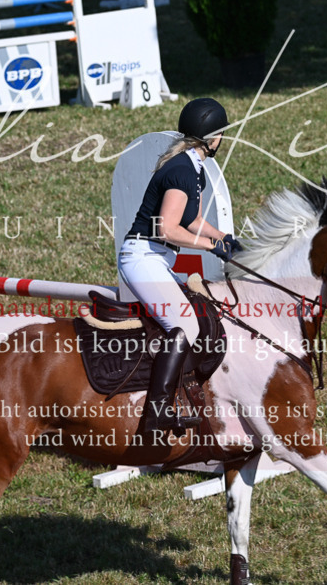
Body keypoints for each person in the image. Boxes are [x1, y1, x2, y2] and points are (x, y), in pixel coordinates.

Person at [118, 98, 242, 434]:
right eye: (221, 135)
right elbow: (168, 229)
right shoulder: (182, 171)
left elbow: (195, 220)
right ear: (211, 137)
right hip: (143, 257)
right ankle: (156, 412)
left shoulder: (194, 168)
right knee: (186, 326)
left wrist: (228, 239)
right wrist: (211, 246)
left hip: (157, 259)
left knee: (201, 314)